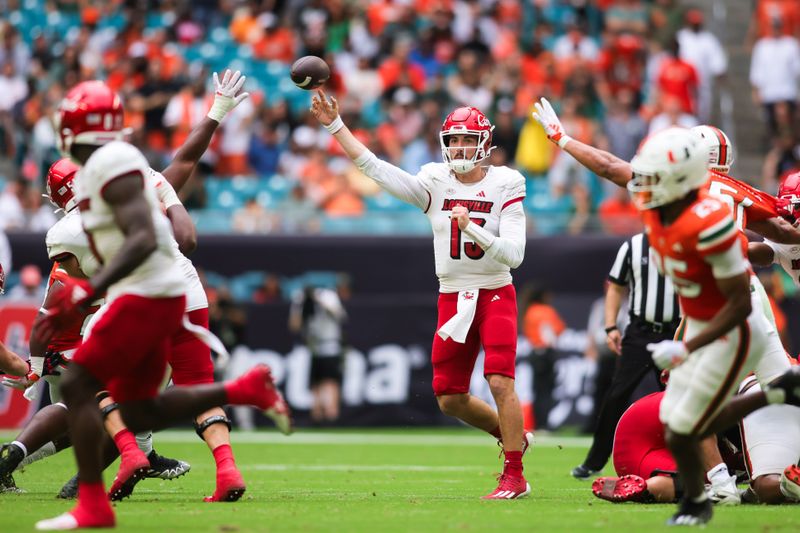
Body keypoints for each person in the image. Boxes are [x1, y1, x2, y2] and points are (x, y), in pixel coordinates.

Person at [33, 80, 291, 531]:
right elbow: (179, 219)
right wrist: (216, 111)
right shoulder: (134, 168)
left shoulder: (94, 189)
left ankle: (108, 484)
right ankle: (240, 395)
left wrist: (86, 297)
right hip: (172, 289)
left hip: (144, 293)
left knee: (80, 383)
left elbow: (138, 240)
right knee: (138, 406)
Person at [311, 89, 533, 499]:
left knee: (500, 381)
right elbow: (375, 168)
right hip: (452, 295)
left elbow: (515, 256)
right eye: (455, 139)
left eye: (469, 139)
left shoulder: (506, 182)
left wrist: (473, 228)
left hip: (495, 292)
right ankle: (511, 434)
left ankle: (515, 474)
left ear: (484, 143)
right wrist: (335, 126)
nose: (461, 147)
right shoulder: (435, 181)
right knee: (449, 398)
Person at [571, 232, 679, 480]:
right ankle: (594, 460)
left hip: (677, 331)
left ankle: (696, 460)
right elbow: (615, 286)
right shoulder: (634, 245)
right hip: (641, 331)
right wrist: (610, 326)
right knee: (616, 395)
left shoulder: (688, 240)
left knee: (681, 396)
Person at [289, 285, 347, 424]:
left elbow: (340, 316)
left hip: (330, 346)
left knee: (330, 381)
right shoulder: (302, 302)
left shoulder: (327, 296)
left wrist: (319, 300)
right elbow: (294, 326)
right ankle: (317, 416)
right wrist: (299, 306)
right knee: (315, 383)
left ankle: (332, 415)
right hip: (314, 348)